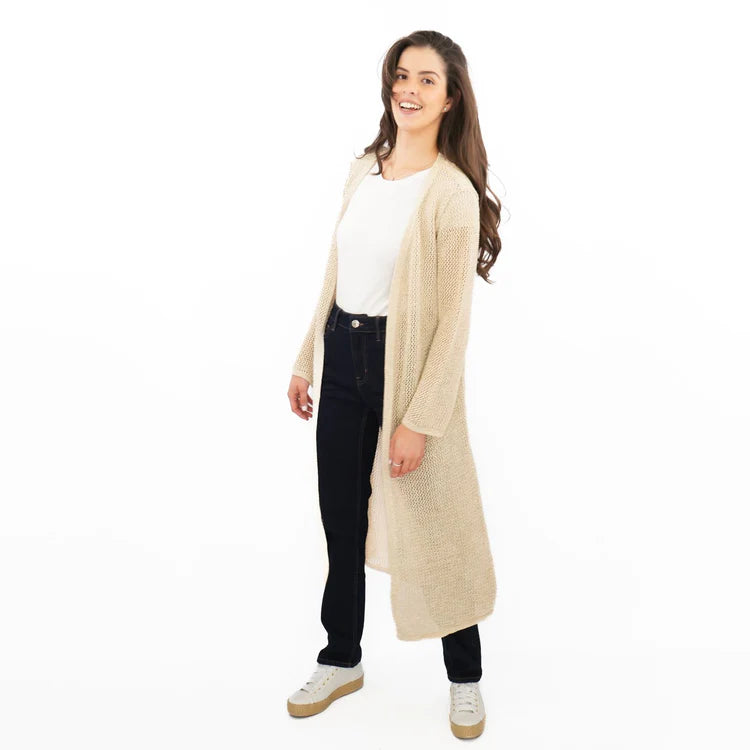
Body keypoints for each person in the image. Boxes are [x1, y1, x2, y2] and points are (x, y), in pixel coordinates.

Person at [285, 30, 503, 739]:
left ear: (451, 97)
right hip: (342, 355)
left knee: (439, 530)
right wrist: (307, 358)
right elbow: (336, 270)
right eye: (401, 76)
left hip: (403, 369)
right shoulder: (363, 171)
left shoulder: (451, 194)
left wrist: (420, 419)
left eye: (426, 80)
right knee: (341, 521)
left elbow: (453, 322)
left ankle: (465, 680)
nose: (408, 89)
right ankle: (341, 658)